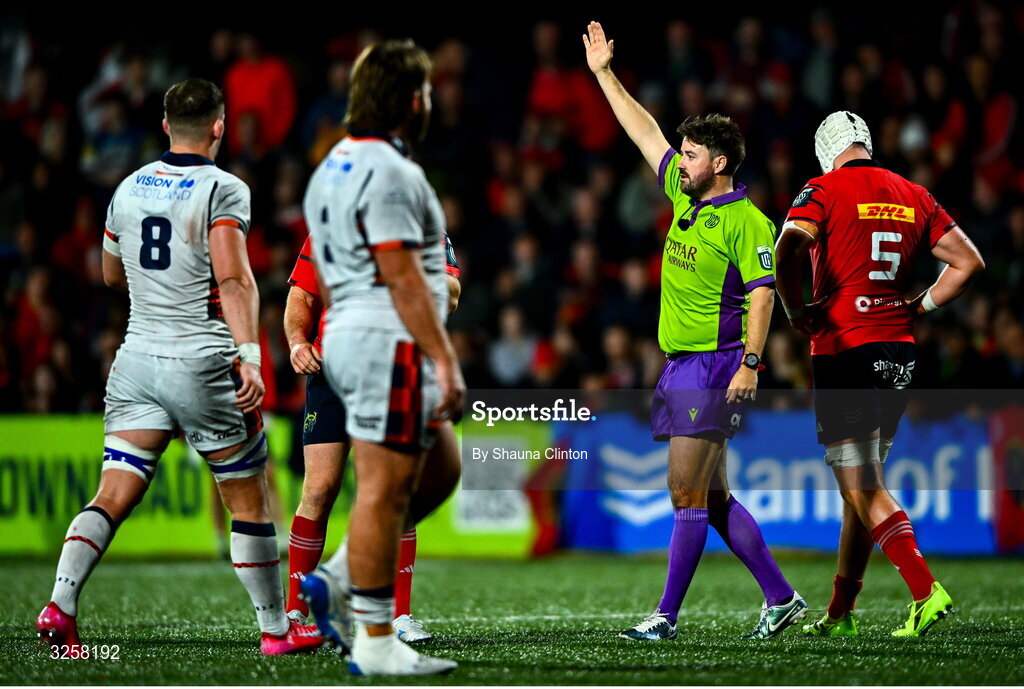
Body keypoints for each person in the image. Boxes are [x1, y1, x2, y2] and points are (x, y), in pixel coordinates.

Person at [35, 78, 322, 655]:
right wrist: (249, 356)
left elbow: (112, 275)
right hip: (202, 359)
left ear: (166, 125)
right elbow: (235, 278)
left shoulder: (128, 187)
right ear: (219, 127)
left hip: (137, 359)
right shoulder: (224, 188)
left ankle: (59, 605)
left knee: (113, 492)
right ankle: (275, 629)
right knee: (247, 499)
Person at [584, 21, 806, 640]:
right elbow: (643, 130)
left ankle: (666, 617)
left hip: (714, 364)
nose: (678, 160)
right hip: (683, 364)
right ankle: (781, 597)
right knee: (708, 498)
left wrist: (750, 365)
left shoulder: (749, 223)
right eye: (681, 153)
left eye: (690, 154)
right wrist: (604, 73)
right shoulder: (688, 198)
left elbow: (764, 297)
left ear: (721, 163)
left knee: (685, 491)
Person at [775, 111, 985, 637]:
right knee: (860, 488)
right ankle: (841, 611)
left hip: (845, 346)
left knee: (860, 484)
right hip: (898, 350)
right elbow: (968, 263)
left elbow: (787, 249)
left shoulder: (821, 189)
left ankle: (924, 589)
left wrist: (795, 309)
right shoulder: (913, 193)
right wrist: (922, 304)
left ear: (827, 150)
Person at [298, 40, 463, 676]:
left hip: (350, 337)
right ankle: (372, 637)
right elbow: (402, 277)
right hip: (385, 338)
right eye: (424, 90)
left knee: (437, 467)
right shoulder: (392, 175)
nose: (429, 101)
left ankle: (336, 580)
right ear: (409, 100)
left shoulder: (333, 165)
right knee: (384, 491)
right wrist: (443, 359)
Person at [283, 230, 463, 646]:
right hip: (332, 367)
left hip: (393, 367)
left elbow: (451, 296)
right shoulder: (329, 225)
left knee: (394, 485)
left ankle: (397, 616)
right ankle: (297, 612)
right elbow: (302, 297)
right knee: (320, 488)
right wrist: (296, 342)